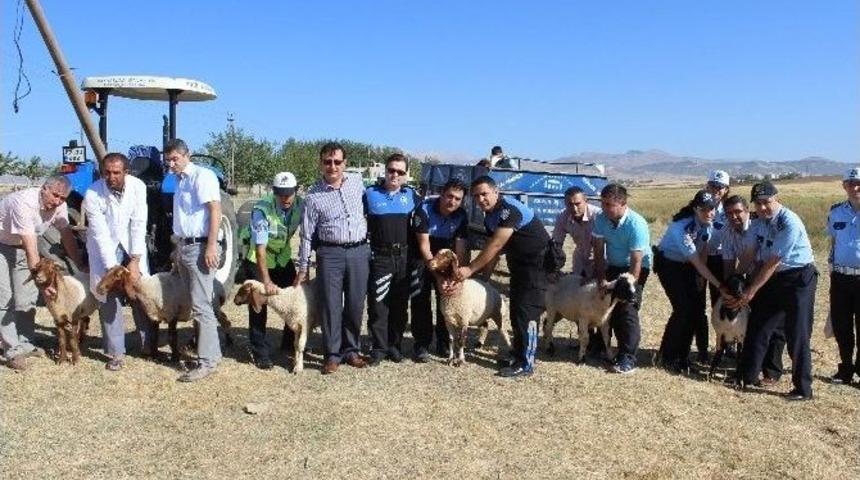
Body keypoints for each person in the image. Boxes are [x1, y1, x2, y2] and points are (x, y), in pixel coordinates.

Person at [729, 181, 818, 401]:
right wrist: (735, 278)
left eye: (766, 202)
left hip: (798, 279)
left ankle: (803, 389)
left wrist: (750, 293)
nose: (762, 208)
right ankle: (746, 376)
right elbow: (751, 252)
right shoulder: (759, 223)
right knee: (758, 326)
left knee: (797, 332)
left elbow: (773, 262)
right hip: (773, 279)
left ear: (776, 198)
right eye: (758, 204)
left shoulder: (790, 222)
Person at [455, 175, 549, 377]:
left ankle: (526, 363)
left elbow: (496, 244)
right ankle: (518, 354)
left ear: (496, 192)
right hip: (519, 266)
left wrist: (470, 269)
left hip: (537, 266)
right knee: (516, 311)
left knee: (527, 313)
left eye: (484, 194)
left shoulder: (509, 210)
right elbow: (495, 253)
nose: (481, 199)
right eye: (476, 196)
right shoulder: (489, 216)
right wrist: (485, 280)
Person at [295, 142, 369, 375]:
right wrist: (303, 268)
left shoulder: (358, 184)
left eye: (337, 162)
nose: (333, 166)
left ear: (345, 163)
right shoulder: (313, 196)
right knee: (331, 305)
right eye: (328, 162)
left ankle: (351, 350)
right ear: (321, 164)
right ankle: (332, 354)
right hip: (330, 254)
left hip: (359, 251)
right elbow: (307, 234)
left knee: (356, 304)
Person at [0, 175, 85, 370]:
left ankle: (26, 344)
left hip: (22, 248)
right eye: (55, 195)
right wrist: (44, 285)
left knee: (26, 299)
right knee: (5, 299)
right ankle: (12, 350)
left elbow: (66, 236)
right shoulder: (23, 203)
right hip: (2, 246)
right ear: (43, 189)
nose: (57, 201)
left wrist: (79, 264)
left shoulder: (60, 206)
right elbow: (32, 247)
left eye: (62, 198)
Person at [83, 152, 150, 371]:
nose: (111, 177)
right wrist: (113, 269)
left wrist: (135, 260)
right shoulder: (93, 192)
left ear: (126, 172)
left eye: (116, 173)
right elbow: (100, 233)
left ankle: (147, 345)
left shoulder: (138, 186)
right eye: (107, 173)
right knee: (109, 298)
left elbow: (139, 222)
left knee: (139, 292)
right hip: (105, 250)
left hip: (131, 246)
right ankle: (115, 353)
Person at [164, 139, 223, 382]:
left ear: (187, 155)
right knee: (195, 302)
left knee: (201, 305)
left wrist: (210, 246)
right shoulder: (179, 181)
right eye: (168, 160)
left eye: (175, 159)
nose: (171, 164)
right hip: (185, 246)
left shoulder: (203, 176)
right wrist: (177, 246)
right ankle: (213, 354)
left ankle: (207, 362)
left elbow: (215, 210)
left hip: (200, 246)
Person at [655, 190, 729, 373]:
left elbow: (702, 251)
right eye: (704, 210)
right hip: (669, 264)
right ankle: (667, 356)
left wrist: (701, 281)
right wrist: (719, 285)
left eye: (712, 209)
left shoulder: (708, 223)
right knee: (682, 310)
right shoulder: (681, 227)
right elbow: (697, 262)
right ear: (695, 209)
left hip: (689, 264)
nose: (709, 213)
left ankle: (683, 356)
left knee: (695, 310)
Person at [242, 171, 303, 370]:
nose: (285, 198)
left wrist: (304, 268)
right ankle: (259, 350)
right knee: (259, 302)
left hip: (282, 256)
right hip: (259, 258)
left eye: (289, 193)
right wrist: (266, 281)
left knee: (293, 295)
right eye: (280, 193)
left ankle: (288, 342)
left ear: (296, 190)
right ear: (274, 191)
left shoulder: (301, 205)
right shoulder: (262, 210)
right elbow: (260, 249)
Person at [721, 194, 785, 384]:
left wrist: (748, 286)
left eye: (738, 212)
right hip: (748, 278)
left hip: (772, 275)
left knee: (775, 326)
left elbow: (760, 258)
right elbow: (728, 263)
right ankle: (749, 366)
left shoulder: (759, 226)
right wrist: (729, 288)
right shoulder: (726, 231)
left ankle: (772, 371)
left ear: (748, 211)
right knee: (752, 324)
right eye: (729, 213)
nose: (734, 216)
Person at [364, 153, 421, 366]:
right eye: (391, 170)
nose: (394, 174)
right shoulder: (369, 194)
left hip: (405, 258)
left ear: (406, 175)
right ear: (385, 171)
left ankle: (395, 346)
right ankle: (378, 348)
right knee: (378, 305)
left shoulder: (413, 196)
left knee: (399, 306)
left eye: (400, 171)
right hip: (380, 257)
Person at [591, 183, 652, 374]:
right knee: (608, 305)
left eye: (609, 204)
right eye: (603, 204)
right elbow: (599, 252)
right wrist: (602, 280)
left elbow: (636, 263)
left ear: (623, 203)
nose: (604, 208)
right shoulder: (600, 219)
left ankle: (628, 357)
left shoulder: (637, 224)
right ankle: (604, 346)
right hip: (614, 265)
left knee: (626, 308)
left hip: (636, 267)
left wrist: (624, 286)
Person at [410, 178, 469, 362]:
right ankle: (421, 345)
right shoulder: (424, 209)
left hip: (446, 255)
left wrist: (456, 276)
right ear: (442, 194)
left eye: (458, 199)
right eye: (449, 196)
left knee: (447, 298)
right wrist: (437, 276)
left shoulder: (461, 215)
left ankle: (444, 343)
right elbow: (424, 246)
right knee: (420, 299)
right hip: (422, 256)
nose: (452, 201)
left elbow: (461, 249)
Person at [827, 167, 860, 385]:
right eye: (850, 183)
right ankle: (845, 368)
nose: (855, 187)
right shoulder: (836, 212)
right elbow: (833, 242)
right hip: (840, 277)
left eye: (859, 183)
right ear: (844, 186)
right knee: (842, 325)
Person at [695, 170, 731, 361]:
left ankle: (725, 345)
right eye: (712, 185)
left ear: (726, 189)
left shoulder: (730, 210)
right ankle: (702, 348)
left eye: (720, 187)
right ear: (707, 186)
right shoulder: (698, 205)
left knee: (722, 303)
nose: (716, 190)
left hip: (721, 260)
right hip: (699, 261)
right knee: (699, 306)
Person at [552, 186, 601, 279]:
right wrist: (554, 268)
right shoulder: (562, 217)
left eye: (578, 204)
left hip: (601, 260)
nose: (574, 208)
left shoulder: (599, 216)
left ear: (586, 200)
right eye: (570, 204)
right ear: (565, 203)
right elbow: (556, 244)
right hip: (580, 259)